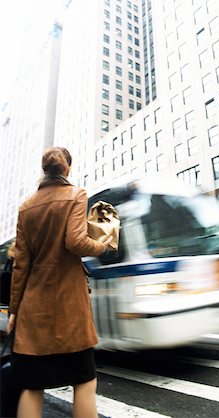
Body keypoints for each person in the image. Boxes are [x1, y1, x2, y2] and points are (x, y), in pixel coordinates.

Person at [7, 147, 112, 418]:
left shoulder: (26, 207)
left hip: (33, 309)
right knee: (84, 381)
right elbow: (76, 241)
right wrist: (103, 245)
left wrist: (15, 310)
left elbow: (21, 264)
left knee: (32, 387)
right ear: (68, 169)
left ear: (45, 170)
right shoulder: (76, 195)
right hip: (69, 309)